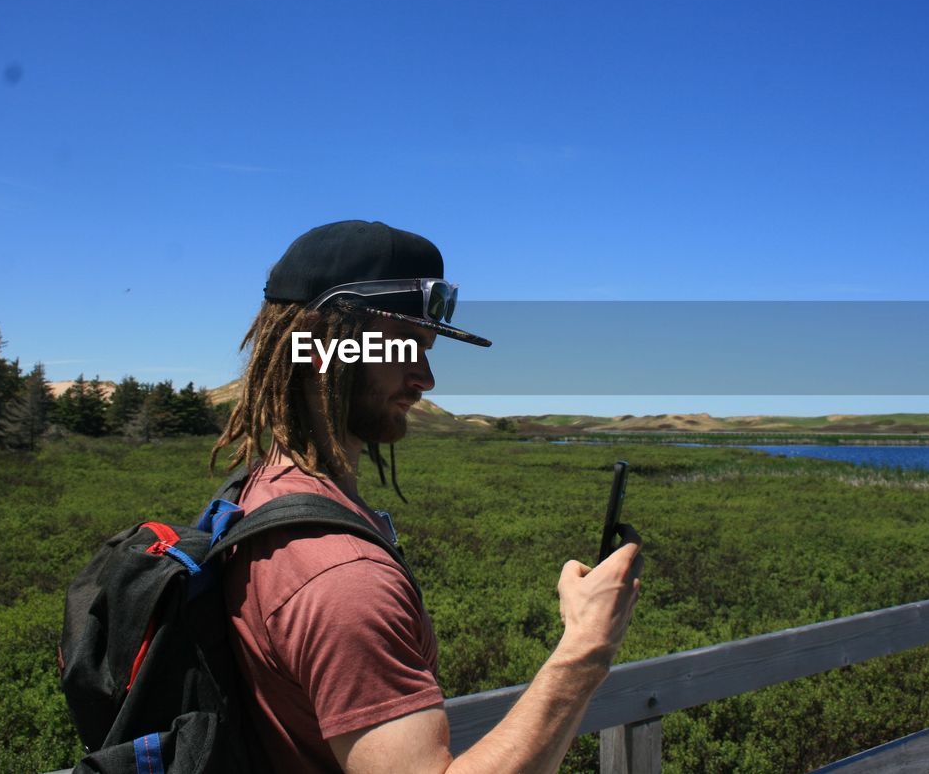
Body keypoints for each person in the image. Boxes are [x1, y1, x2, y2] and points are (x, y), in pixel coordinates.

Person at [212, 220, 643, 774]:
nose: (426, 377)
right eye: (401, 347)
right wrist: (587, 648)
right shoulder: (342, 578)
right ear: (318, 345)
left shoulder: (259, 493)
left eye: (427, 349)